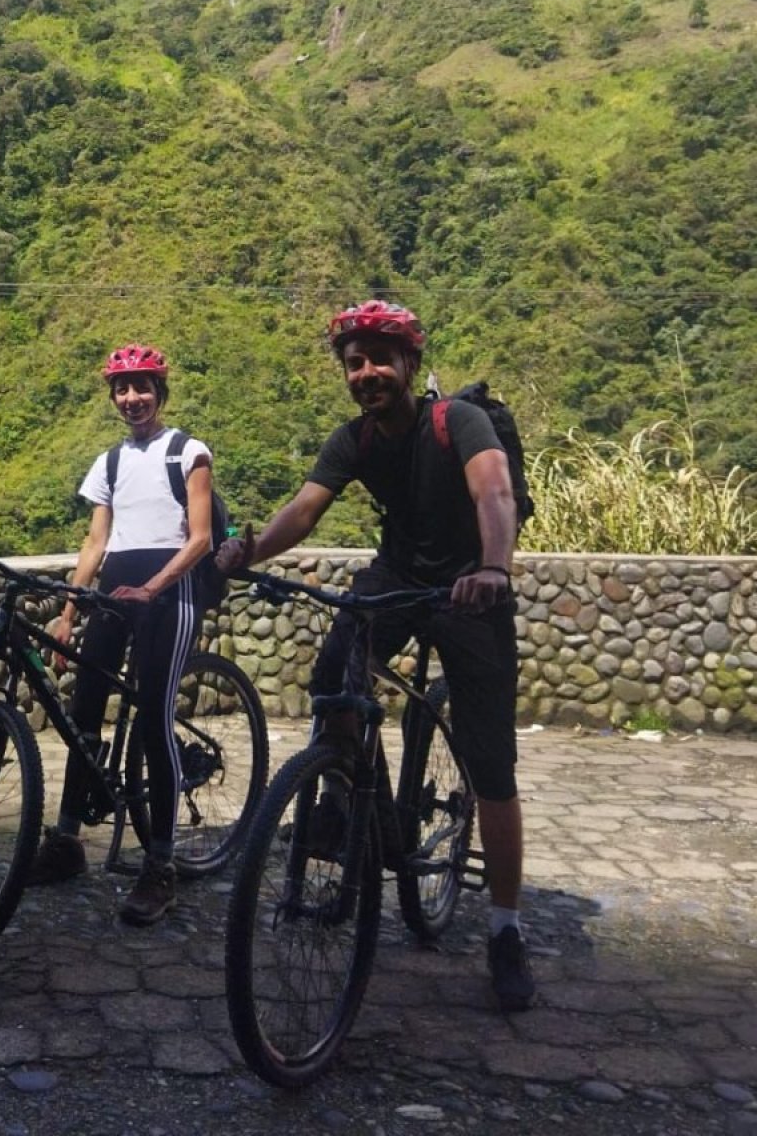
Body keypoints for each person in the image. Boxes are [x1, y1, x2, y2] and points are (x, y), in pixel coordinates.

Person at [215, 299, 536, 1012]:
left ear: (411, 365)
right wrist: (248, 550)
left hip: (468, 583)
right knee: (335, 674)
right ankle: (338, 794)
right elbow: (303, 511)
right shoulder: (356, 440)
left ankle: (506, 930)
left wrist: (494, 570)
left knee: (490, 763)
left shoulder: (459, 421)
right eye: (354, 363)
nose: (367, 373)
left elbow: (495, 491)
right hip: (397, 576)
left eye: (380, 360)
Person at [26, 345, 215, 926]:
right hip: (113, 588)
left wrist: (154, 588)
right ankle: (66, 840)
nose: (131, 398)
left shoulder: (188, 451)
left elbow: (201, 537)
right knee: (84, 708)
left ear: (160, 390)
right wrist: (67, 610)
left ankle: (159, 865)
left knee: (155, 719)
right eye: (121, 389)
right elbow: (95, 542)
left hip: (169, 590)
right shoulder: (108, 462)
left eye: (142, 387)